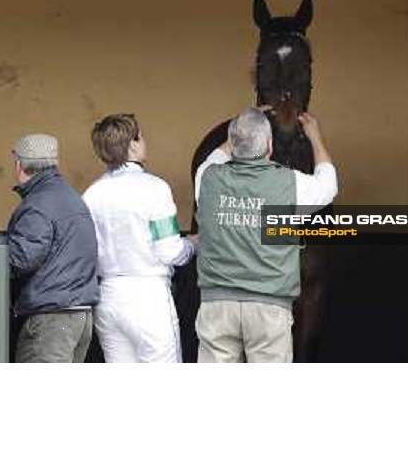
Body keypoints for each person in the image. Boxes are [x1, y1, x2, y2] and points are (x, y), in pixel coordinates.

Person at [194, 107, 338, 363]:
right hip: (268, 308)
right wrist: (314, 136)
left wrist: (237, 131)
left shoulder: (207, 178)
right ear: (270, 145)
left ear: (234, 144)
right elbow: (328, 185)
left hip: (218, 306)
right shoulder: (290, 184)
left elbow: (214, 157)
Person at [0, 133, 99, 363]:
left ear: (19, 165)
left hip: (51, 321)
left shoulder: (38, 204)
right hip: (78, 316)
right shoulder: (69, 197)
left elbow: (22, 257)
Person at [83, 113, 196, 363]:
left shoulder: (91, 195)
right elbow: (169, 251)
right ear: (133, 144)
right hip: (149, 297)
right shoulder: (155, 188)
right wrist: (192, 246)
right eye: (141, 136)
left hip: (108, 296)